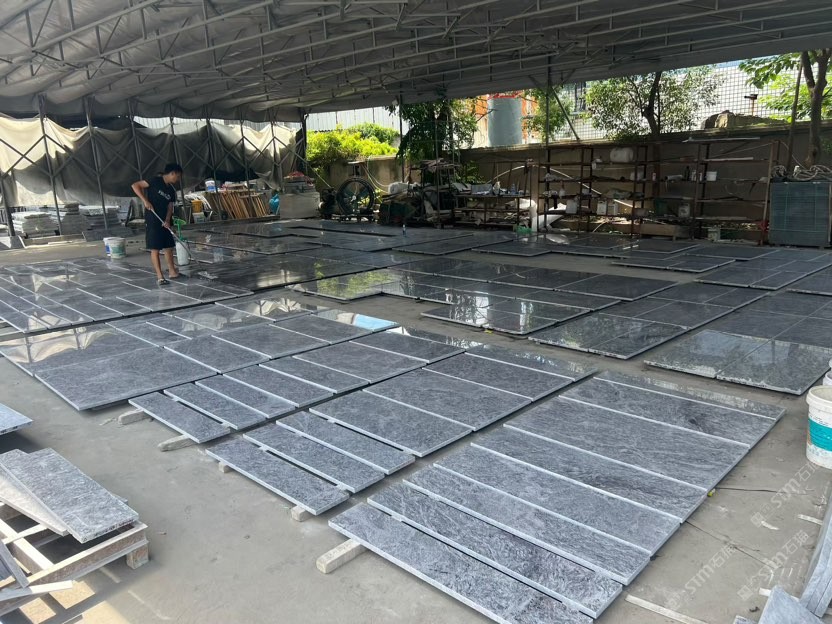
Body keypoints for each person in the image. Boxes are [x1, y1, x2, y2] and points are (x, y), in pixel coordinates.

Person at [131, 163, 183, 285]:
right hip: (153, 218)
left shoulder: (171, 189)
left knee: (169, 247)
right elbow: (135, 185)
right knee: (155, 248)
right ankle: (160, 276)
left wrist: (167, 220)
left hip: (165, 221)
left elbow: (170, 206)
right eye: (178, 176)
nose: (178, 179)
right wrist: (145, 201)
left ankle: (172, 272)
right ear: (172, 173)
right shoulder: (155, 181)